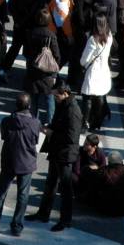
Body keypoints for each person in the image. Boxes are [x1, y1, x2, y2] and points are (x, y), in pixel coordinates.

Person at [0, 92, 41, 237]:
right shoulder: (35, 123)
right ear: (29, 106)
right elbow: (35, 141)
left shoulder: (6, 121)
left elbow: (4, 137)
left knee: (0, 193)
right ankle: (17, 226)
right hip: (27, 162)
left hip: (9, 160)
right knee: (23, 195)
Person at [32, 80, 83, 231]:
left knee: (66, 188)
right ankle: (43, 213)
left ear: (65, 93)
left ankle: (65, 219)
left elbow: (72, 138)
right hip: (57, 150)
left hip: (66, 153)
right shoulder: (64, 105)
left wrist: (52, 133)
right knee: (50, 183)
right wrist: (49, 128)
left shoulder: (73, 111)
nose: (55, 98)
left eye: (56, 96)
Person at [80, 14, 113, 130]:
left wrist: (83, 63)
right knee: (100, 96)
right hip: (104, 69)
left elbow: (84, 60)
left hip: (93, 70)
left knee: (87, 97)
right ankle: (98, 121)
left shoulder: (93, 39)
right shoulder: (109, 36)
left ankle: (85, 121)